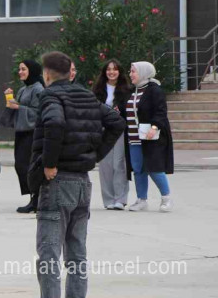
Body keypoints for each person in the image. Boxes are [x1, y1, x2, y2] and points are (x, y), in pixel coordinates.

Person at [28, 51, 125, 298]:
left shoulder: (50, 96)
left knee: (49, 255)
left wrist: (49, 163)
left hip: (58, 181)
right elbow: (116, 122)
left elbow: (56, 124)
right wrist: (95, 155)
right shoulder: (87, 96)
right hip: (82, 182)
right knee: (77, 253)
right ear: (69, 72)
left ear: (46, 74)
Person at [126, 61, 174, 212]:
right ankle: (142, 200)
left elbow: (160, 111)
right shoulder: (132, 90)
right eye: (130, 71)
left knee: (154, 168)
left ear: (144, 73)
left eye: (133, 71)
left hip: (150, 137)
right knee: (138, 169)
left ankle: (166, 198)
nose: (130, 74)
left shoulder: (154, 90)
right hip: (133, 137)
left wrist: (154, 126)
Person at [0, 60, 44, 214]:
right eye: (19, 69)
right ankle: (34, 197)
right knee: (21, 165)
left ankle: (36, 199)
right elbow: (20, 108)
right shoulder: (24, 89)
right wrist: (10, 101)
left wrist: (18, 107)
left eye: (23, 69)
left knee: (29, 166)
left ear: (32, 70)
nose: (20, 72)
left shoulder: (38, 89)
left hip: (32, 134)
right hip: (22, 132)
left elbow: (39, 112)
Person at [92, 59, 131, 210]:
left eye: (115, 69)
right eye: (108, 69)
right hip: (102, 130)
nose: (111, 72)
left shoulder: (127, 89)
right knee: (105, 165)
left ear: (119, 72)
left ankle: (120, 199)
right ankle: (108, 200)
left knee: (119, 164)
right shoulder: (97, 89)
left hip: (120, 130)